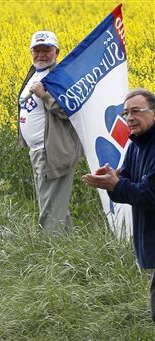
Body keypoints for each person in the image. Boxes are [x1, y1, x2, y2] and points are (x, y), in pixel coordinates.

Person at [82, 89, 155, 320]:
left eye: (136, 111)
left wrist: (115, 184)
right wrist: (112, 180)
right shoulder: (135, 145)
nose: (129, 118)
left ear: (153, 113)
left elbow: (150, 193)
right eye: (126, 113)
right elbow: (128, 184)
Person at [17, 31, 82, 232]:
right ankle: (69, 251)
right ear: (31, 52)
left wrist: (45, 96)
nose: (41, 55)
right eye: (37, 50)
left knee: (50, 209)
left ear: (57, 52)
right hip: (38, 150)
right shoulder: (34, 73)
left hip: (52, 151)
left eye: (47, 50)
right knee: (54, 206)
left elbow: (69, 109)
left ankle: (48, 254)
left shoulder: (61, 76)